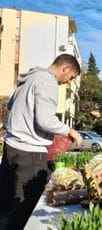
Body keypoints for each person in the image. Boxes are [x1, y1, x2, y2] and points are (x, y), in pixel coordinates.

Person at [0, 54, 83, 229]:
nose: (68, 82)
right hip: (29, 154)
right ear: (65, 68)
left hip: (11, 148)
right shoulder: (48, 81)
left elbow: (10, 106)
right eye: (71, 78)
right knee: (24, 209)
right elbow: (45, 120)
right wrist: (70, 131)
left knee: (5, 204)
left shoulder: (30, 78)